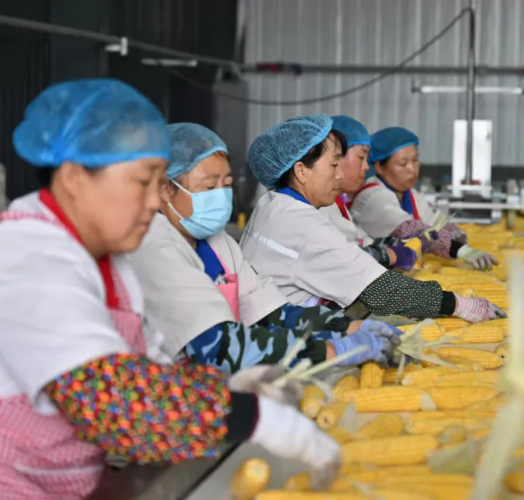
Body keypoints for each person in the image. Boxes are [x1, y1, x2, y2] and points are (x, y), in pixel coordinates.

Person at [0, 80, 340, 500]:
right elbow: (110, 398)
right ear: (74, 178)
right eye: (141, 183)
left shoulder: (108, 260)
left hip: (58, 491)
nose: (155, 201)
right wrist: (255, 417)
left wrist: (227, 390)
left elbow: (150, 368)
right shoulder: (23, 255)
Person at [130, 122, 398, 372]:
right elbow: (217, 345)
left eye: (226, 185)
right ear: (165, 189)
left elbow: (270, 312)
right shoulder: (152, 247)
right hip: (169, 389)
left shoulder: (217, 242)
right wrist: (331, 351)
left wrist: (347, 327)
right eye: (209, 186)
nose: (220, 196)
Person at [240, 114, 504, 322]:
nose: (340, 174)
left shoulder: (272, 205)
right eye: (333, 164)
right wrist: (458, 305)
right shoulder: (305, 227)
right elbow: (381, 291)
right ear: (301, 171)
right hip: (288, 344)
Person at [348, 126, 497, 271]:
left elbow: (436, 222)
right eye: (403, 163)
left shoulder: (410, 194)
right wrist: (462, 251)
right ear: (379, 167)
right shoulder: (372, 197)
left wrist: (458, 236)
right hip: (370, 274)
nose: (412, 169)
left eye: (415, 160)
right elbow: (414, 230)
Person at [319, 115, 416, 271]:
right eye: (361, 157)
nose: (366, 167)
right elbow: (341, 261)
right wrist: (390, 255)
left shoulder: (335, 203)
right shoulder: (316, 209)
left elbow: (359, 240)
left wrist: (388, 247)